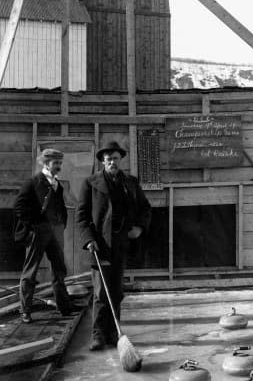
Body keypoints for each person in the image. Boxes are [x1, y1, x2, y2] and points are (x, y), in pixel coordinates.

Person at [76, 141, 151, 351]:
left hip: (121, 243)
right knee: (101, 293)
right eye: (108, 159)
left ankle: (113, 334)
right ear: (102, 161)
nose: (112, 162)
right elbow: (81, 216)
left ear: (120, 160)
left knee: (116, 292)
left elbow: (145, 208)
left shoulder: (130, 183)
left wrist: (139, 228)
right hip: (100, 245)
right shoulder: (91, 183)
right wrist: (88, 239)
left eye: (116, 159)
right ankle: (98, 335)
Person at [13, 149, 75, 323]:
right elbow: (19, 207)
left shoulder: (57, 184)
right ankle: (25, 310)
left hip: (54, 231)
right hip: (38, 231)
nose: (59, 166)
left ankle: (64, 307)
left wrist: (62, 222)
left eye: (60, 163)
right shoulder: (33, 183)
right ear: (46, 163)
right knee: (30, 271)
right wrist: (33, 226)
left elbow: (60, 206)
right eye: (56, 163)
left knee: (59, 268)